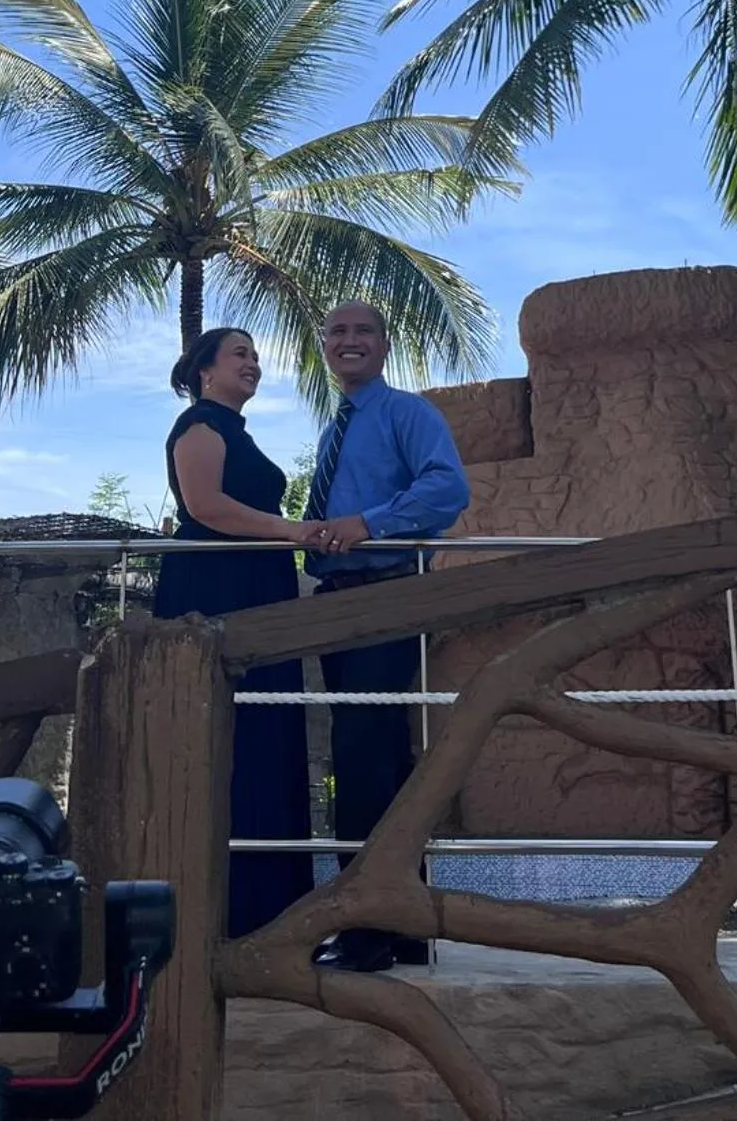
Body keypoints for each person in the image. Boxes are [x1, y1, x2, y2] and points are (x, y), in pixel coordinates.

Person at [303, 302, 471, 973]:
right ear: (324, 346)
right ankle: (405, 926)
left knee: (365, 758)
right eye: (337, 332)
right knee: (380, 760)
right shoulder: (335, 428)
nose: (349, 341)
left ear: (384, 344)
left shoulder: (407, 413)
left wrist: (369, 524)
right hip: (340, 602)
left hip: (385, 594)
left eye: (362, 331)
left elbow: (447, 489)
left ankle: (367, 931)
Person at [154, 326, 322, 938]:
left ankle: (267, 905)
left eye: (256, 353)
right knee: (230, 732)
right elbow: (206, 507)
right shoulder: (201, 426)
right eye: (240, 354)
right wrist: (291, 530)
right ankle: (226, 904)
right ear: (205, 371)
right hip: (216, 589)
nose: (254, 363)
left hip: (254, 587)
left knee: (265, 734)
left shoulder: (235, 431)